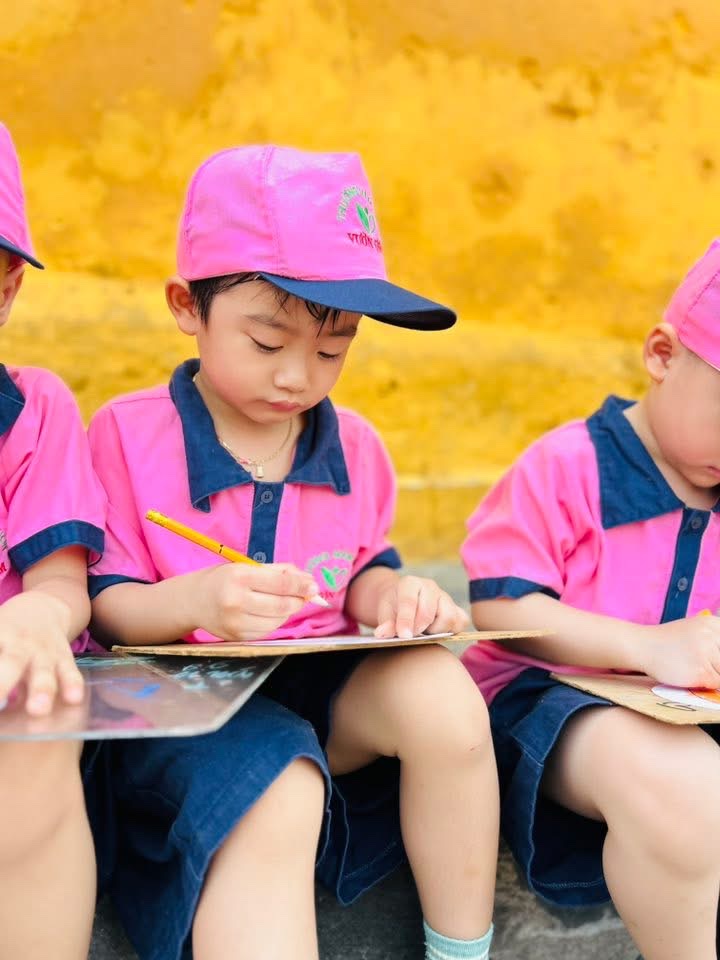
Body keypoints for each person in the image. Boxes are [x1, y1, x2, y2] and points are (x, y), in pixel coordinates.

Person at [88, 145, 499, 960]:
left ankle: (462, 950)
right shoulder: (126, 435)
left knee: (445, 695)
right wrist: (196, 602)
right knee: (277, 776)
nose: (299, 377)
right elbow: (105, 604)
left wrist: (397, 599)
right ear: (187, 306)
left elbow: (365, 568)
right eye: (268, 343)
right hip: (175, 709)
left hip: (314, 686)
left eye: (333, 349)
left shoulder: (358, 448)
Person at [461, 238, 720, 960]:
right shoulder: (569, 464)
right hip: (539, 707)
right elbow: (503, 609)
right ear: (664, 356)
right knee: (684, 781)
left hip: (684, 715)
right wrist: (646, 646)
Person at [0, 121, 106, 960]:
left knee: (45, 706)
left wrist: (38, 618)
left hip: (9, 678)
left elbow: (63, 583)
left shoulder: (33, 411)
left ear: (5, 289)